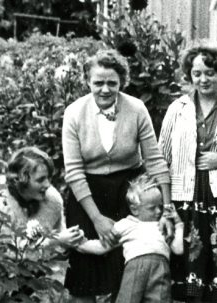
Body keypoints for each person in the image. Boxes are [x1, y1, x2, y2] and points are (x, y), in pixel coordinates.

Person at [62, 49, 171, 302]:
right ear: (87, 81)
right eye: (98, 82)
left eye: (112, 83)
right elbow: (74, 172)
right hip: (87, 194)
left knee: (126, 271)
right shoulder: (74, 113)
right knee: (84, 277)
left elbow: (154, 160)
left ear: (122, 82)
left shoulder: (136, 108)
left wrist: (167, 207)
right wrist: (97, 218)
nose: (105, 89)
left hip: (127, 193)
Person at [158, 41, 217, 302]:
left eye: (210, 73)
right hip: (185, 201)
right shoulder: (177, 110)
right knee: (188, 281)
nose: (203, 79)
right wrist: (166, 206)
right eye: (196, 73)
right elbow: (161, 159)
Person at [77, 173, 184, 303]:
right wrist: (80, 244)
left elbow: (178, 249)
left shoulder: (163, 226)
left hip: (160, 269)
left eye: (160, 207)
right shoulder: (127, 224)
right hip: (136, 267)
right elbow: (102, 247)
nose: (158, 212)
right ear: (135, 209)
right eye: (152, 208)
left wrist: (179, 225)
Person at [0, 146, 84, 247]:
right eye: (40, 180)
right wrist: (55, 241)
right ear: (21, 181)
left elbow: (61, 237)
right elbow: (6, 251)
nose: (47, 185)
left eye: (48, 177)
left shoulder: (52, 200)